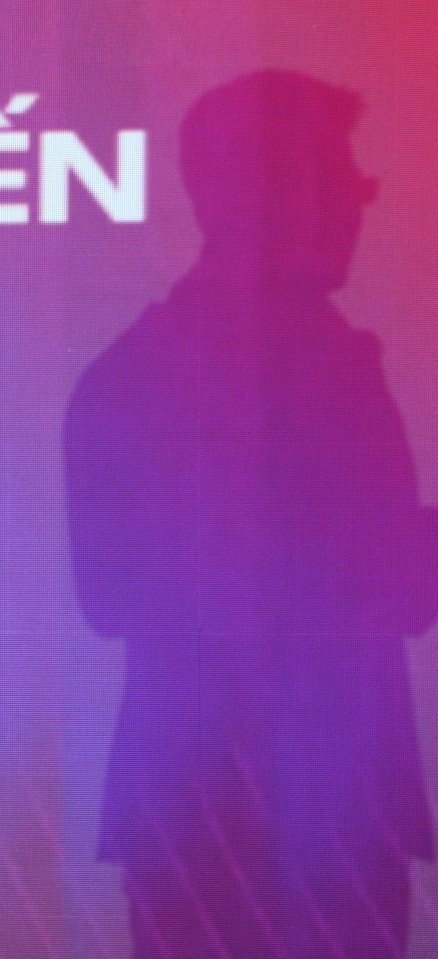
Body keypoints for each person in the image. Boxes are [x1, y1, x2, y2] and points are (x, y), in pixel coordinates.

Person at [65, 70, 438, 959]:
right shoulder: (322, 369)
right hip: (318, 819)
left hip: (197, 813)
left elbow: (110, 597)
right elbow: (385, 586)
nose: (358, 206)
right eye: (340, 181)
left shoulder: (127, 372)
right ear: (266, 193)